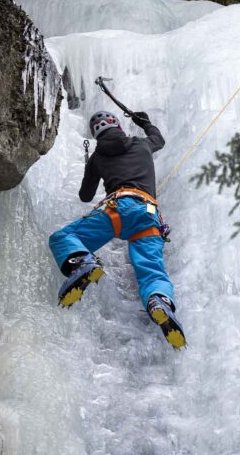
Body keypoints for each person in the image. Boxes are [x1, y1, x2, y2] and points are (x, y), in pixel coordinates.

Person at [48, 110, 186, 350]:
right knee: (152, 272)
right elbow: (159, 139)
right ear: (119, 126)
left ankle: (82, 262)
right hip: (149, 216)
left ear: (95, 133)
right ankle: (159, 301)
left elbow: (85, 195)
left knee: (64, 237)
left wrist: (90, 164)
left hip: (118, 210)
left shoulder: (98, 157)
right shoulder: (143, 144)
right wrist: (145, 123)